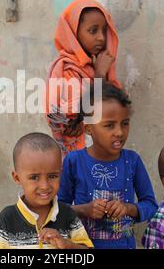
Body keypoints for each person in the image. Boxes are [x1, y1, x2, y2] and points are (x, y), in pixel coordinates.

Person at [58, 83, 158, 249]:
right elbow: (58, 210)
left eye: (125, 123)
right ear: (89, 128)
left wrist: (128, 208)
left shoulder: (132, 162)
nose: (119, 132)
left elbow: (151, 206)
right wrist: (84, 210)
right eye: (109, 125)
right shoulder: (74, 161)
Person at [46, 0, 122, 157]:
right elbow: (78, 117)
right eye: (93, 31)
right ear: (73, 33)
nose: (101, 37)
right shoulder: (67, 69)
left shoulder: (92, 67)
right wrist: (100, 75)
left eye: (104, 30)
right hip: (80, 157)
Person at [0, 133, 93, 249]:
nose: (45, 186)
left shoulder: (68, 214)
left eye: (52, 176)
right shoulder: (7, 219)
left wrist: (67, 244)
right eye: (34, 177)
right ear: (17, 178)